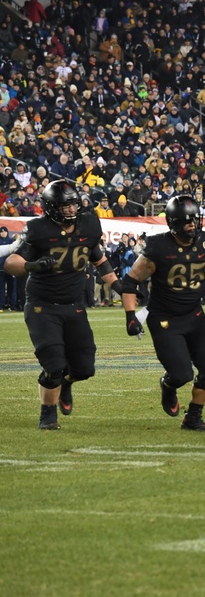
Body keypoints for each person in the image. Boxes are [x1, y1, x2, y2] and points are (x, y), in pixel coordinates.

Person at [3, 180, 123, 430]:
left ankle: (66, 382)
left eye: (73, 204)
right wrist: (33, 266)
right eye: (64, 205)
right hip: (42, 305)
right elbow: (11, 262)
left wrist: (118, 286)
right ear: (50, 207)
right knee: (54, 364)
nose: (70, 209)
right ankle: (48, 414)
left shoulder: (89, 224)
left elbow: (98, 258)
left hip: (74, 304)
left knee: (85, 368)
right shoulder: (38, 229)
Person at [119, 195, 205, 431]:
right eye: (187, 221)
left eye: (195, 220)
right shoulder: (158, 247)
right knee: (181, 374)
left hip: (195, 316)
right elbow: (130, 282)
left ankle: (193, 418)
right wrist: (130, 316)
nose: (193, 225)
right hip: (165, 319)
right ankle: (168, 384)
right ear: (173, 223)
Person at [0, 225, 19, 311]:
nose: (3, 233)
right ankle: (1, 305)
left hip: (11, 269)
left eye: (4, 231)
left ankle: (13, 305)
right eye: (1, 231)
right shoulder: (11, 243)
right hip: (1, 269)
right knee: (1, 288)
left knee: (12, 288)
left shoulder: (11, 241)